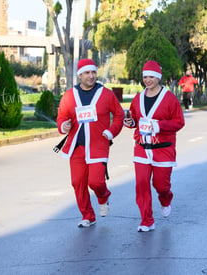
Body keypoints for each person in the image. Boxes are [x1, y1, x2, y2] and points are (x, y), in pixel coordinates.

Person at [56, 58, 125, 228]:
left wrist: (111, 131)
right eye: (87, 73)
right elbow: (62, 117)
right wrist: (63, 125)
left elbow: (119, 115)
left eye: (93, 72)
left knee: (96, 182)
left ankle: (103, 196)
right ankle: (88, 215)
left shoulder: (106, 94)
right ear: (80, 75)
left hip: (98, 145)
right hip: (76, 147)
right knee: (78, 182)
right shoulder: (69, 95)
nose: (91, 76)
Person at [124, 60, 185, 232]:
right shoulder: (138, 98)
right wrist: (129, 122)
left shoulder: (170, 98)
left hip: (163, 149)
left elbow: (179, 122)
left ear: (158, 77)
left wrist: (159, 126)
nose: (148, 80)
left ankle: (165, 199)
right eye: (145, 77)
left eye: (151, 76)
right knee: (142, 184)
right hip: (142, 148)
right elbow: (134, 119)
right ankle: (147, 220)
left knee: (161, 185)